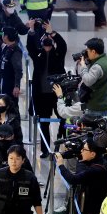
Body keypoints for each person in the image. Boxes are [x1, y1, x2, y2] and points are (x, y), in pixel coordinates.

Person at [27, 21, 66, 156]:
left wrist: (52, 32)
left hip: (57, 94)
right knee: (44, 123)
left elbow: (62, 45)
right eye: (45, 44)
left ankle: (63, 142)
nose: (47, 47)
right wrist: (31, 30)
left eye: (49, 44)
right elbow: (30, 47)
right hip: (42, 95)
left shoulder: (58, 54)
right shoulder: (38, 55)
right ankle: (45, 149)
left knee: (63, 118)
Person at [76, 38, 107, 119]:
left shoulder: (98, 66)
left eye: (88, 51)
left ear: (93, 52)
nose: (86, 53)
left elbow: (88, 81)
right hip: (105, 103)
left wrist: (83, 66)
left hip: (96, 108)